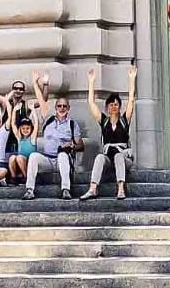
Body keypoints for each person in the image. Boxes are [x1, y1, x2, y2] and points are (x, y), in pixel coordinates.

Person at [80, 65, 137, 200]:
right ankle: (93, 188)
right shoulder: (104, 121)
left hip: (123, 158)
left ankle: (121, 188)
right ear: (107, 107)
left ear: (119, 107)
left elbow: (131, 101)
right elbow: (91, 103)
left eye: (116, 104)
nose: (113, 107)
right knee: (99, 157)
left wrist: (131, 80)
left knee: (118, 156)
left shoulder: (124, 120)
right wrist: (91, 82)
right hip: (108, 157)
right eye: (111, 104)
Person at [24, 72, 84, 200]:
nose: (61, 108)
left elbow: (81, 145)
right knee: (34, 156)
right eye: (59, 106)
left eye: (64, 106)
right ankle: (29, 190)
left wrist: (72, 145)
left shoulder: (72, 124)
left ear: (68, 108)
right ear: (55, 107)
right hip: (47, 159)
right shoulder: (49, 119)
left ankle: (66, 189)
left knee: (63, 155)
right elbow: (41, 100)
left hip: (62, 158)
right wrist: (35, 83)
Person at [7, 110, 40, 185]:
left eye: (27, 128)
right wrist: (14, 110)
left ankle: (27, 178)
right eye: (23, 128)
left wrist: (33, 111)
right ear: (20, 129)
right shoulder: (19, 138)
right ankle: (14, 178)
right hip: (20, 163)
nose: (25, 130)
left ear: (31, 128)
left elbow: (36, 124)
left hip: (29, 163)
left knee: (19, 157)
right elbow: (13, 124)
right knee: (12, 157)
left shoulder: (32, 138)